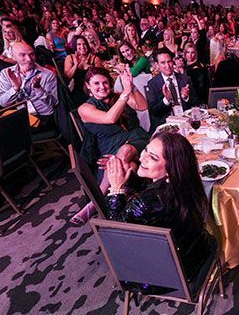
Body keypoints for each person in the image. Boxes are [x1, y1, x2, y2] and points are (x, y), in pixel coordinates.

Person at [103, 132, 216, 294]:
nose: (142, 158)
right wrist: (128, 178)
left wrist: (115, 189)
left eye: (153, 158)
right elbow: (150, 190)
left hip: (167, 275)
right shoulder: (183, 180)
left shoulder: (145, 203)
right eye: (146, 150)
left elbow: (114, 234)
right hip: (197, 250)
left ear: (170, 169)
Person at [71, 67, 149, 225]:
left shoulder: (120, 96)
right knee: (130, 167)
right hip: (110, 148)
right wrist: (126, 93)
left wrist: (131, 87)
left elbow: (142, 106)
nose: (102, 86)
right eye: (96, 83)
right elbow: (110, 118)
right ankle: (135, 215)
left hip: (137, 139)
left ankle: (96, 201)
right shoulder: (85, 108)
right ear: (88, 86)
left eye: (105, 82)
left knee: (125, 151)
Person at [0, 42, 59, 130]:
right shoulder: (6, 73)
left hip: (42, 116)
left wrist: (38, 89)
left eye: (31, 54)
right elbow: (3, 103)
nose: (29, 59)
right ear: (13, 56)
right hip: (21, 115)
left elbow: (53, 104)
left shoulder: (47, 74)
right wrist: (15, 88)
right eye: (22, 55)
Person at [145, 49, 198, 131]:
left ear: (173, 62)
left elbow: (196, 103)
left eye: (169, 61)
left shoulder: (185, 79)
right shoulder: (152, 84)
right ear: (157, 65)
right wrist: (166, 100)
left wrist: (186, 97)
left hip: (186, 122)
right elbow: (153, 111)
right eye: (163, 63)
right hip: (166, 125)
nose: (167, 65)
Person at [64, 35, 103, 106]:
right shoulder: (70, 58)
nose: (82, 47)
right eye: (79, 44)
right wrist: (75, 65)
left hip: (94, 91)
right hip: (77, 92)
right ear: (75, 46)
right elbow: (67, 77)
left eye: (84, 44)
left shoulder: (95, 59)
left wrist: (91, 68)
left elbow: (101, 78)